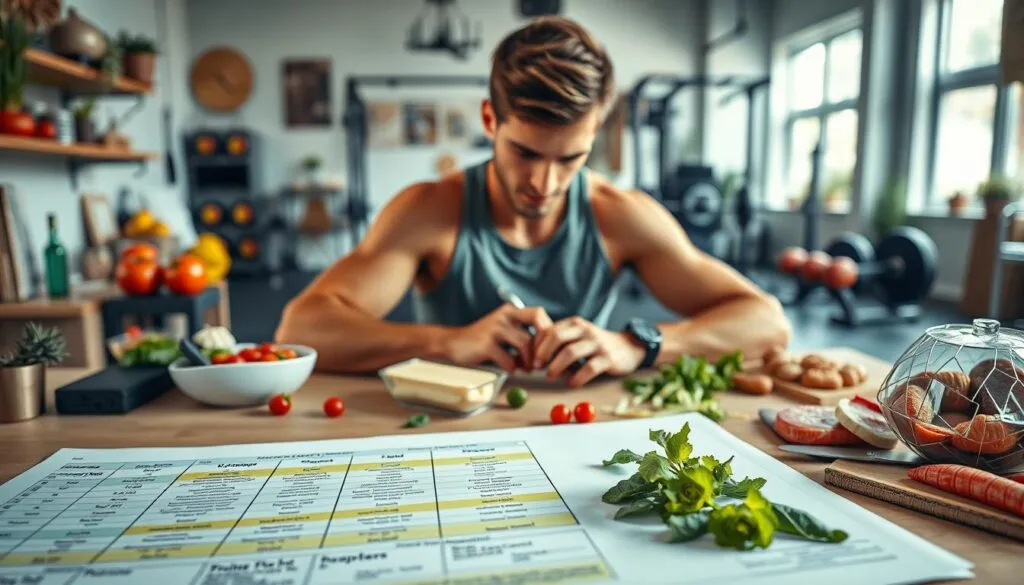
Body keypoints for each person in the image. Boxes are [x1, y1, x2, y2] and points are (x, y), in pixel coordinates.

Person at [276, 16, 790, 386]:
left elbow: (767, 322)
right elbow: (302, 327)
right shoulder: (428, 210)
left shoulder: (620, 214)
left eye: (571, 159)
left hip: (581, 435)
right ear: (488, 121)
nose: (544, 183)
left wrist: (637, 344)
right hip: (445, 434)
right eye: (525, 152)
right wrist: (448, 342)